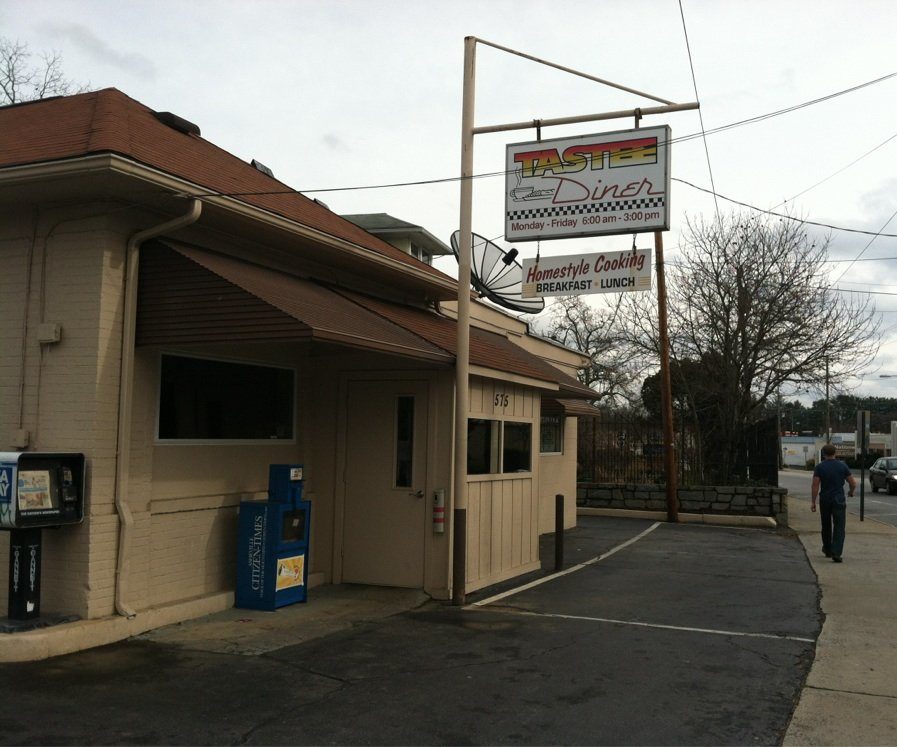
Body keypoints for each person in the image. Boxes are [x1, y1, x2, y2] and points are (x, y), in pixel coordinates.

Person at [811, 444, 857, 563]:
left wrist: (813, 502)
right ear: (835, 453)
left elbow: (815, 485)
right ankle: (836, 552)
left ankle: (827, 549)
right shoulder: (842, 466)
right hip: (839, 499)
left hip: (825, 499)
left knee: (826, 525)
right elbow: (852, 483)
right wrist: (851, 492)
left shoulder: (819, 467)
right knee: (839, 526)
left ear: (823, 454)